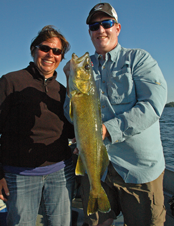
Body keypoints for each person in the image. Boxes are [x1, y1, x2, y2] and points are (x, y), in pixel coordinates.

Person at [63, 3, 167, 226]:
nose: (100, 30)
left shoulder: (139, 59)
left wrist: (107, 129)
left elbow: (153, 105)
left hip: (137, 170)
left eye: (106, 23)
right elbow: (71, 116)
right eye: (94, 26)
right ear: (90, 32)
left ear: (117, 28)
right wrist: (69, 80)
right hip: (96, 171)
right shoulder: (84, 68)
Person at [0, 25, 76, 226]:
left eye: (57, 51)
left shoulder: (63, 91)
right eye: (45, 48)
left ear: (61, 58)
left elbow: (69, 131)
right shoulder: (9, 82)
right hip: (19, 176)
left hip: (60, 173)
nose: (51, 54)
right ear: (34, 50)